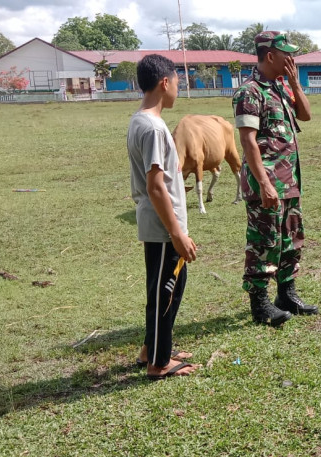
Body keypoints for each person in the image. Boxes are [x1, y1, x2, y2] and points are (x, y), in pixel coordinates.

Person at [232, 31, 318, 326]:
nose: (291, 60)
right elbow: (248, 141)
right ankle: (259, 305)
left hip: (289, 181)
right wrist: (265, 184)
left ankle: (286, 294)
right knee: (263, 242)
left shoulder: (281, 87)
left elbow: (305, 115)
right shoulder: (250, 92)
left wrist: (295, 83)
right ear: (270, 56)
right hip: (266, 183)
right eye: (287, 55)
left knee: (290, 239)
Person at [127, 54, 198, 379]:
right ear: (164, 83)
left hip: (160, 226)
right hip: (162, 228)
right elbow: (156, 187)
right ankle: (158, 363)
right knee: (164, 292)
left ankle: (153, 348)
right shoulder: (154, 128)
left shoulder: (140, 120)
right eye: (178, 82)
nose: (178, 89)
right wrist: (177, 234)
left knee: (165, 287)